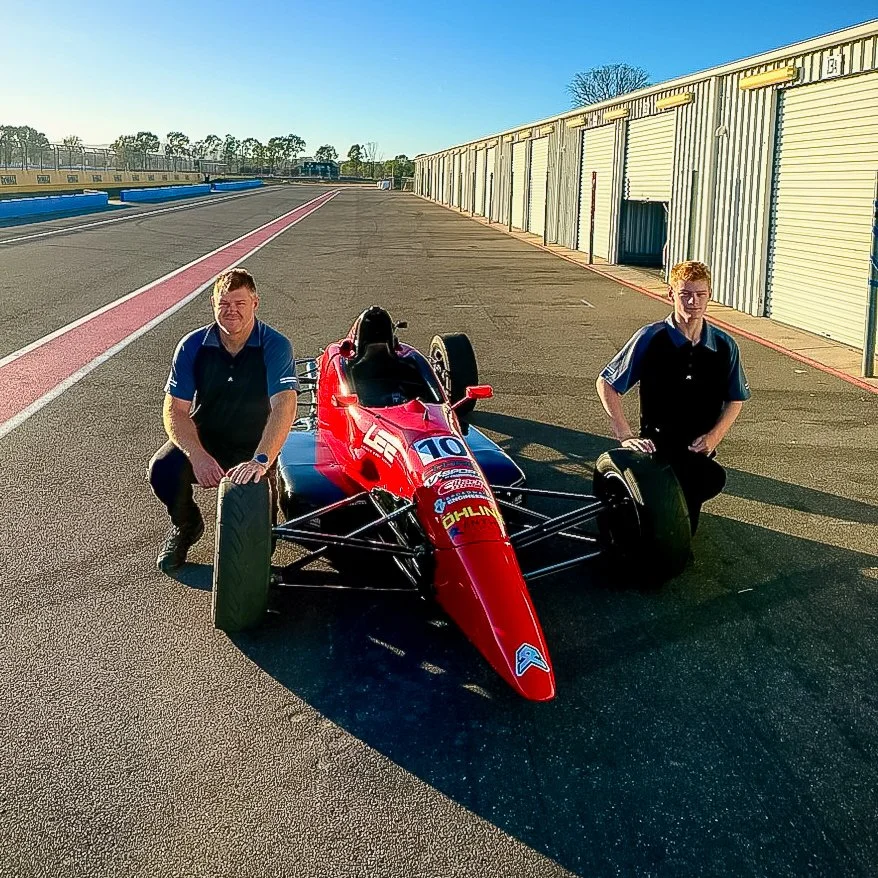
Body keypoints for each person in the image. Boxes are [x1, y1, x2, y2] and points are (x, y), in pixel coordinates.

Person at [149, 267, 299, 572]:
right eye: (224, 304)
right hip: (207, 439)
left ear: (255, 303)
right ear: (213, 304)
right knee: (162, 469)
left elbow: (284, 406)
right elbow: (174, 410)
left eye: (240, 303)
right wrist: (198, 455)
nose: (231, 311)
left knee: (259, 552)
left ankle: (264, 504)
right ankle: (186, 526)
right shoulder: (192, 346)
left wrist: (261, 460)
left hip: (255, 445)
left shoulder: (275, 345)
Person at [595, 260, 750, 534]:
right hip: (656, 449)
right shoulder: (650, 337)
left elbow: (735, 399)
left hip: (696, 453)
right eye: (685, 294)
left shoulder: (725, 346)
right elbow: (607, 383)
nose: (693, 302)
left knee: (689, 518)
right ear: (671, 295)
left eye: (701, 294)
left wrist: (714, 437)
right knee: (657, 535)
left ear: (710, 295)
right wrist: (624, 433)